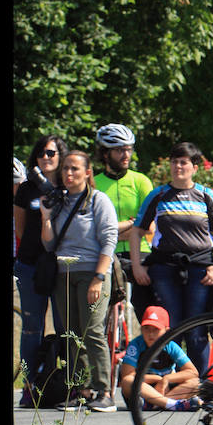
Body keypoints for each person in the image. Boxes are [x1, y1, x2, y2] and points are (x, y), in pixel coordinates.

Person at [129, 141, 213, 374]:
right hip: (164, 268)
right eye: (174, 162)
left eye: (183, 162)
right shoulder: (159, 194)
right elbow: (137, 231)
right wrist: (137, 266)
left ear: (195, 167)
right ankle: (170, 382)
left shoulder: (206, 196)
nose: (178, 166)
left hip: (200, 269)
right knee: (171, 328)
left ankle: (199, 384)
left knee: (196, 329)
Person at [40, 151, 119, 413]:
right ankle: (82, 390)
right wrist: (46, 217)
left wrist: (98, 277)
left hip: (91, 273)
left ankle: (105, 391)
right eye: (65, 169)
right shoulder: (59, 202)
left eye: (74, 169)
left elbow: (109, 238)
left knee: (93, 331)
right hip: (64, 274)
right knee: (72, 335)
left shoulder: (98, 200)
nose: (68, 174)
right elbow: (49, 243)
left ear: (87, 173)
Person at [13, 137, 68, 406]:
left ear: (61, 156)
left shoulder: (69, 185)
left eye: (52, 152)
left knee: (63, 327)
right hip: (30, 264)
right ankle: (29, 385)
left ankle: (63, 386)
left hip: (61, 264)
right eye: (41, 153)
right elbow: (20, 230)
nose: (46, 157)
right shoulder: (26, 188)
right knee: (31, 329)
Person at [93, 123, 155, 320]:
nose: (126, 155)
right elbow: (93, 229)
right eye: (120, 150)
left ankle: (152, 345)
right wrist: (132, 224)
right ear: (105, 154)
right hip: (104, 253)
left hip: (139, 252)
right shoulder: (93, 183)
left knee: (147, 308)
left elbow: (149, 227)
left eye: (128, 149)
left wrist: (111, 231)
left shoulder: (141, 181)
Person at [119, 305, 202, 411]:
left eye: (156, 329)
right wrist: (158, 379)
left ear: (166, 331)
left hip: (165, 389)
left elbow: (193, 372)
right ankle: (170, 404)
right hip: (143, 389)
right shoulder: (135, 345)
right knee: (127, 381)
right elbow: (128, 375)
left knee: (195, 383)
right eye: (146, 328)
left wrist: (166, 379)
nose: (150, 334)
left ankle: (159, 403)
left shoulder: (171, 346)